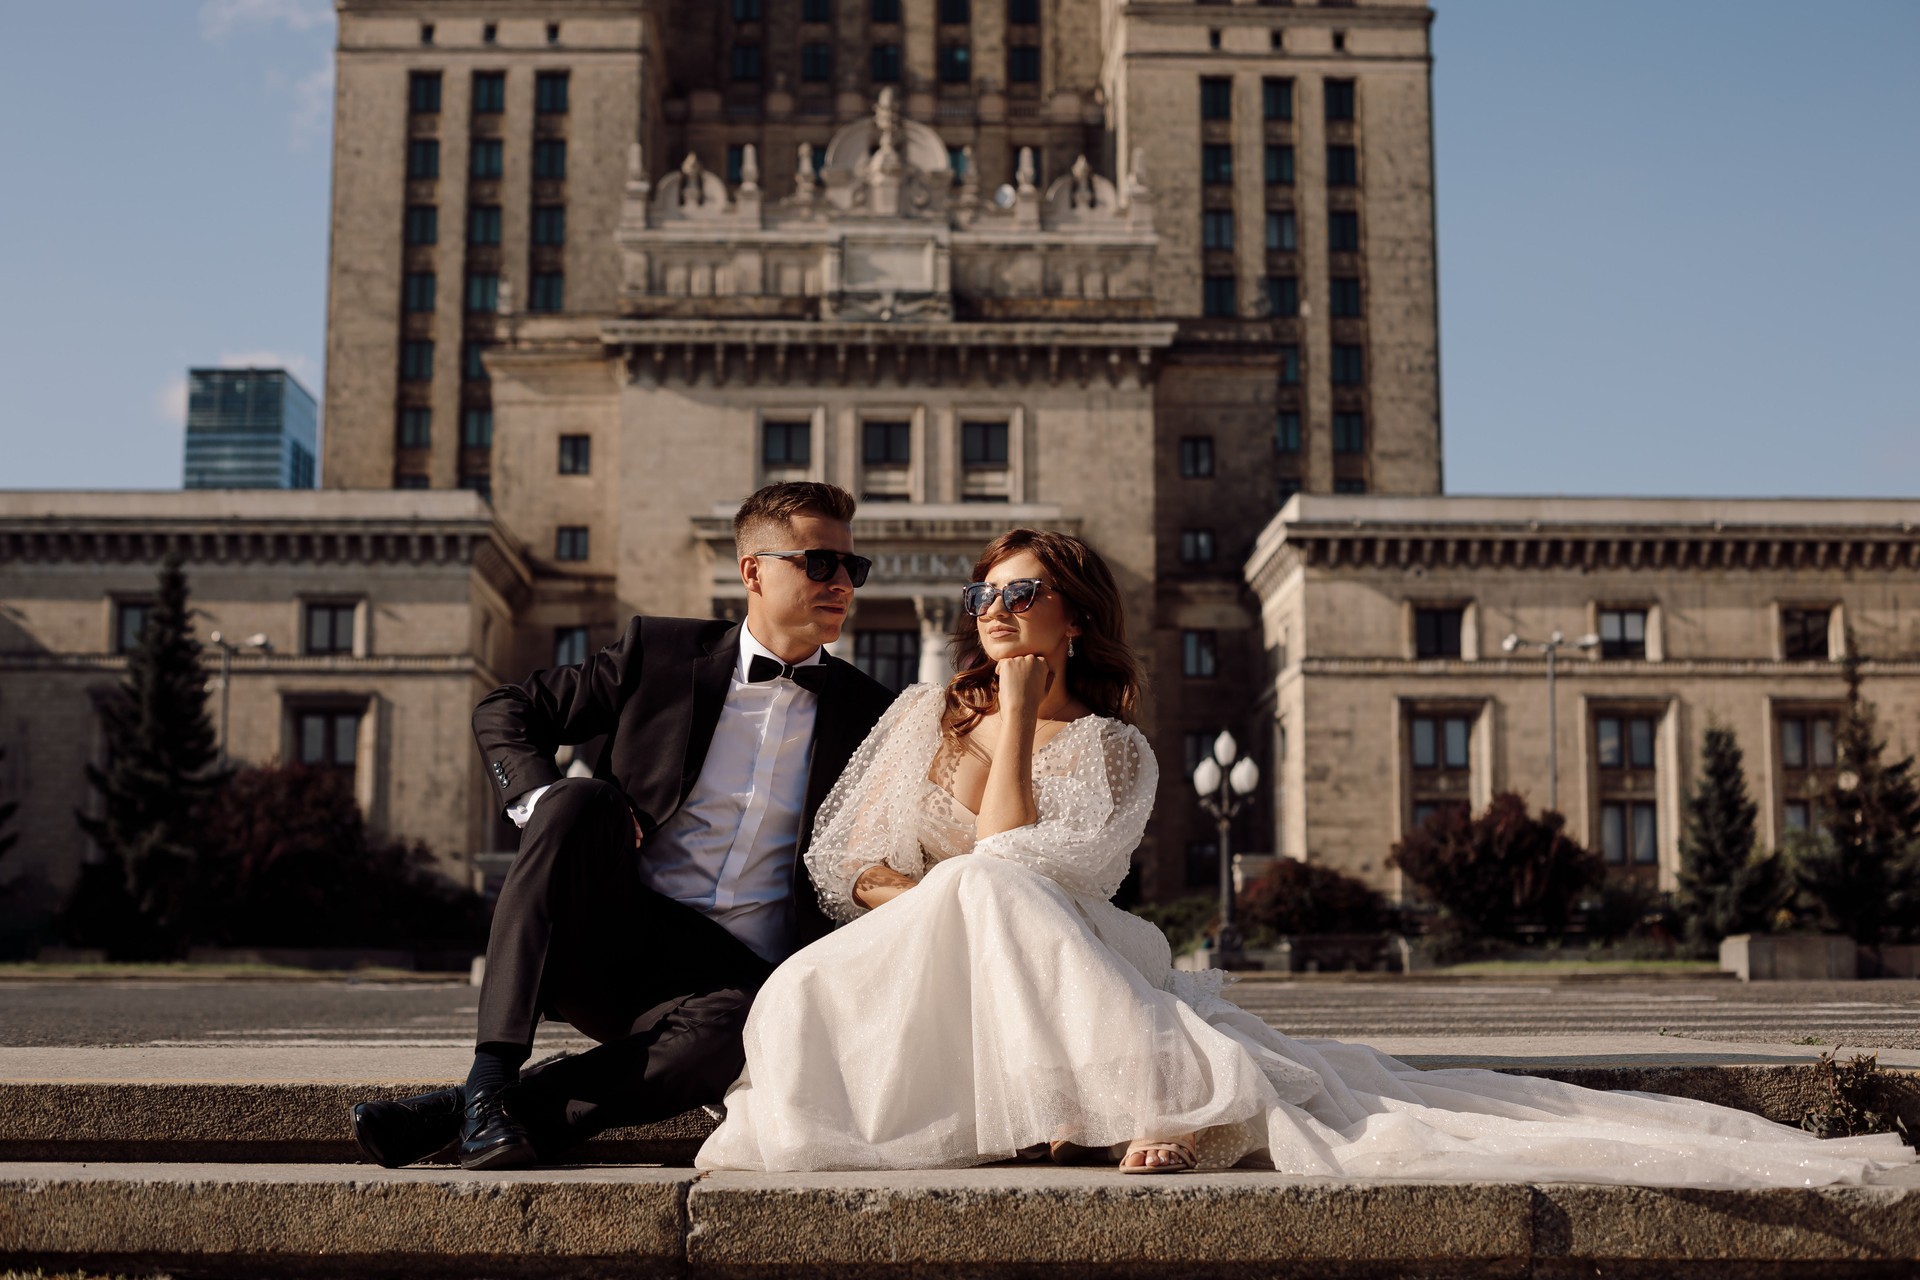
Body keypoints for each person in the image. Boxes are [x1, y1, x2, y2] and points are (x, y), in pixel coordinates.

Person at [697, 528, 1916, 1184]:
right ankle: (1079, 1102)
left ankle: (1148, 1101)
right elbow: (845, 862)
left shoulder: (1115, 748)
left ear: (1073, 613)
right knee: (873, 948)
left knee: (998, 882)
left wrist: (1018, 715)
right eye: (981, 592)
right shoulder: (919, 713)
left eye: (1020, 591)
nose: (994, 610)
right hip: (930, 953)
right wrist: (928, 900)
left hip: (1063, 949)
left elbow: (1037, 870)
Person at [351, 482, 896, 1170]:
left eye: (854, 568)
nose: (842, 582)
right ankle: (490, 1074)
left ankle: (481, 1112)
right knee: (580, 804)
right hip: (614, 934)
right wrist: (541, 799)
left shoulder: (874, 713)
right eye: (820, 564)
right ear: (753, 570)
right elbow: (506, 709)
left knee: (741, 1031)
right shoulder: (660, 654)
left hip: (728, 981)